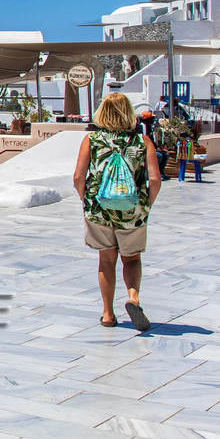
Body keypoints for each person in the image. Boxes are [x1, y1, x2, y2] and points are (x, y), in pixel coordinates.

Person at [73, 92, 161, 331]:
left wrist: (86, 201)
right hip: (132, 211)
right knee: (131, 258)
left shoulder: (92, 140)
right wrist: (145, 205)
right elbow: (155, 180)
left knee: (106, 260)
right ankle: (133, 298)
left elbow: (79, 177)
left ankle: (108, 314)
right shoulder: (143, 142)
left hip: (99, 209)